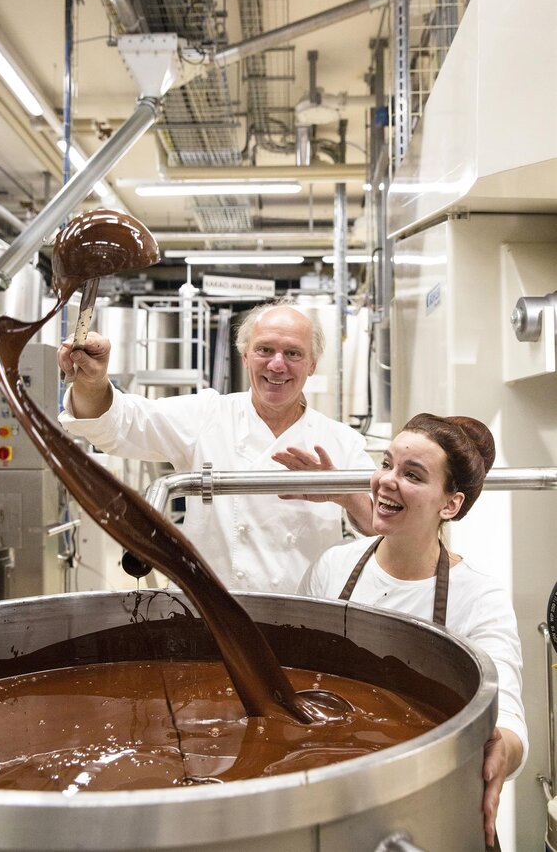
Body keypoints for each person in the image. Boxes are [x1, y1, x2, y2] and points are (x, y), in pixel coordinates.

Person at [298, 412, 527, 848]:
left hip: (425, 805)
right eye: (386, 464)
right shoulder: (332, 568)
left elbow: (507, 716)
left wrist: (505, 749)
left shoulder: (478, 596)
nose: (387, 481)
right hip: (334, 791)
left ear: (450, 504)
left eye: (412, 475)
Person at [58, 301, 375, 594]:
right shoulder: (207, 416)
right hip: (210, 610)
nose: (277, 365)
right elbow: (120, 424)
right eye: (265, 350)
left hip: (306, 615)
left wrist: (344, 495)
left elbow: (381, 528)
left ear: (312, 364)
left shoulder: (341, 441)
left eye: (293, 353)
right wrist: (93, 383)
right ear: (245, 356)